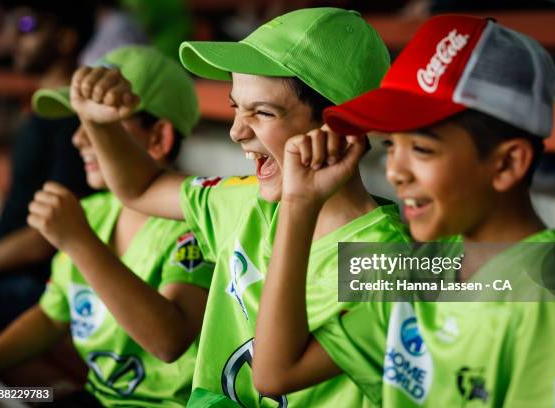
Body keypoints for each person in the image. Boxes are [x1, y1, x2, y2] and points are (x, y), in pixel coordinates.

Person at [63, 7, 410, 407]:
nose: (236, 132)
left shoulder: (387, 261)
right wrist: (99, 124)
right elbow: (142, 187)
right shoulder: (244, 201)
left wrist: (300, 202)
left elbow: (273, 376)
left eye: (262, 112)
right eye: (235, 108)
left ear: (340, 128)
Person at [252, 15, 555, 407]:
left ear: (508, 164)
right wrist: (299, 204)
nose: (395, 171)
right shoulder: (424, 266)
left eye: (423, 149)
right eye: (392, 145)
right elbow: (274, 373)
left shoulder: (548, 294)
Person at [0, 46, 213, 407]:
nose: (78, 139)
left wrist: (78, 241)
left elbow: (168, 341)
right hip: (96, 397)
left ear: (159, 138)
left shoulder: (195, 223)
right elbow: (50, 317)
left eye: (101, 123)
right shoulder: (93, 211)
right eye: (80, 122)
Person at [0, 0, 95, 331]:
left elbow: (46, 238)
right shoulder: (43, 111)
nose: (15, 36)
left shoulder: (73, 122)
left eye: (28, 25)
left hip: (31, 286)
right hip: (2, 272)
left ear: (65, 39)